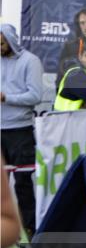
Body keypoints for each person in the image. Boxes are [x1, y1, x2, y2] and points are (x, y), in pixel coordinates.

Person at [1, 24, 42, 235]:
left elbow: (36, 96)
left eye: (2, 43)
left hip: (20, 131)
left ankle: (29, 228)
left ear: (11, 40)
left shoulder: (30, 61)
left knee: (23, 183)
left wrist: (6, 98)